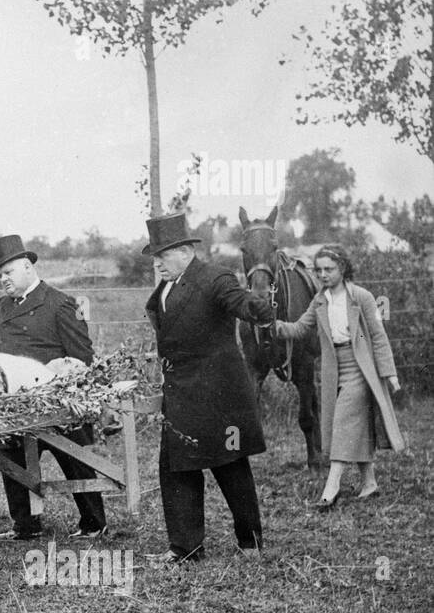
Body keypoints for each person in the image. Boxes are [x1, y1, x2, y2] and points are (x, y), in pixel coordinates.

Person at [142, 213, 275, 564]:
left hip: (217, 394)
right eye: (154, 256)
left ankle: (250, 542)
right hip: (180, 393)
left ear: (185, 251)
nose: (157, 262)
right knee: (176, 467)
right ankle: (185, 548)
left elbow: (240, 301)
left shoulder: (215, 277)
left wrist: (259, 306)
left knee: (230, 465)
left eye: (162, 255)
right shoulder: (166, 287)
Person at [0, 235, 108, 541]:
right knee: (12, 460)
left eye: (9, 272)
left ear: (27, 267)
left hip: (54, 402)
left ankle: (94, 523)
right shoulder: (2, 306)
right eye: (0, 275)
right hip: (14, 402)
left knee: (75, 459)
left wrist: (65, 388)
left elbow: (82, 356)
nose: (3, 279)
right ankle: (26, 526)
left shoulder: (64, 304)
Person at [275, 243, 404, 508]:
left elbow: (377, 336)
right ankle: (369, 483)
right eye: (318, 269)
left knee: (344, 421)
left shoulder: (361, 297)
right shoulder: (320, 299)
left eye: (329, 269)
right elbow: (300, 328)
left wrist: (389, 374)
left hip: (361, 366)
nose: (323, 274)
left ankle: (330, 488)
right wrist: (273, 325)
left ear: (342, 269)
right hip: (334, 368)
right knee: (355, 424)